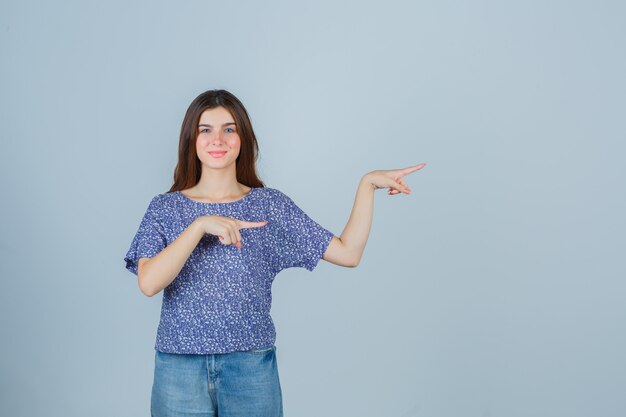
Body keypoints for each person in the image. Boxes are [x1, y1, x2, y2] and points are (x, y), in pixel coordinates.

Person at [123, 89, 425, 416]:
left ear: (243, 138)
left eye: (229, 129)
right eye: (205, 130)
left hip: (249, 367)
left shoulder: (269, 206)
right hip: (178, 367)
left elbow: (348, 252)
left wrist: (367, 185)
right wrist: (199, 227)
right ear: (191, 141)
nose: (217, 139)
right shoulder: (165, 208)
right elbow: (149, 282)